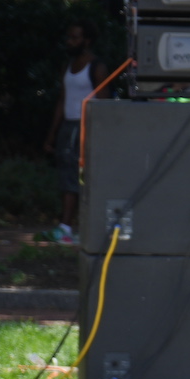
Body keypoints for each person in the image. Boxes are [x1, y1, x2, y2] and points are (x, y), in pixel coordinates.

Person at [41, 22, 109, 246]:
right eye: (68, 37)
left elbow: (103, 103)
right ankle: (67, 227)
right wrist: (52, 134)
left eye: (74, 38)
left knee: (81, 176)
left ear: (86, 41)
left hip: (86, 126)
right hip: (68, 126)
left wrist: (99, 133)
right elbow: (63, 99)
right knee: (67, 174)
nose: (69, 41)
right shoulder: (68, 66)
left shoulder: (96, 67)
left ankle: (71, 227)